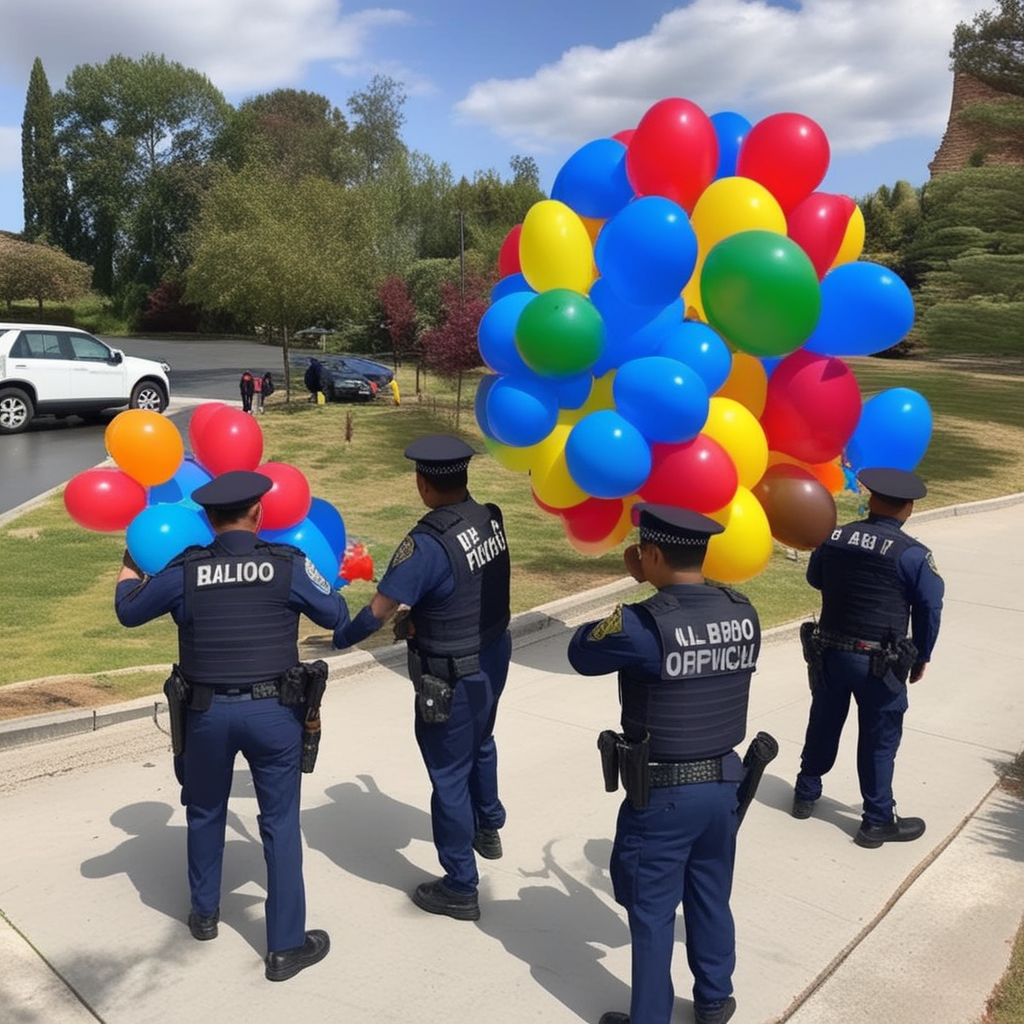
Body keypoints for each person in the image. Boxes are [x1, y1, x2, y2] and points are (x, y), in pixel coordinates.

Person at [114, 471, 352, 981]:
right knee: (280, 823)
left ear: (207, 518)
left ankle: (204, 915)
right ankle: (285, 946)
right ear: (258, 513)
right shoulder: (287, 563)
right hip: (274, 714)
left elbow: (128, 612)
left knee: (204, 812)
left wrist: (131, 560)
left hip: (206, 715)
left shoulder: (186, 568)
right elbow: (336, 614)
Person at [567, 504, 762, 1024]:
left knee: (651, 912)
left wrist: (636, 591)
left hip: (664, 796)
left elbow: (580, 652)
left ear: (649, 554)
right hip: (725, 784)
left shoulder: (641, 624)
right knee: (710, 895)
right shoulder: (743, 611)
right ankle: (714, 999)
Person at [334, 435, 511, 922]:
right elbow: (470, 589)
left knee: (448, 775)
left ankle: (460, 885)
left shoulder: (427, 543)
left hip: (452, 675)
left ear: (423, 484)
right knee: (482, 741)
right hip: (494, 653)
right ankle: (488, 825)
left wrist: (340, 637)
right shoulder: (489, 517)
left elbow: (378, 611)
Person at [792, 467, 944, 848]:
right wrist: (922, 655)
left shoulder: (834, 537)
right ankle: (876, 821)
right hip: (880, 665)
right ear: (908, 508)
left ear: (872, 500)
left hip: (830, 654)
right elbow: (929, 608)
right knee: (879, 740)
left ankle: (806, 793)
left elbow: (815, 578)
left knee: (823, 722)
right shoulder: (913, 555)